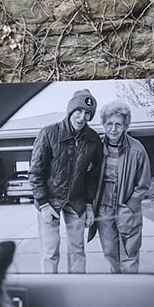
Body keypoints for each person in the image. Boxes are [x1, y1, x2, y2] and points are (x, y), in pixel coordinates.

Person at [30, 89, 103, 273]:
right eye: (78, 111)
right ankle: (50, 289)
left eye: (88, 114)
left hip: (77, 201)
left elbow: (93, 175)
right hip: (49, 200)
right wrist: (43, 204)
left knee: (78, 250)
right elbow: (35, 173)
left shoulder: (93, 140)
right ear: (70, 110)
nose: (82, 117)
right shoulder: (48, 133)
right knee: (50, 251)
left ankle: (76, 291)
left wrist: (88, 205)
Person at [92, 100, 154, 274]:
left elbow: (143, 184)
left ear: (125, 125)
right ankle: (118, 289)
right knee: (110, 253)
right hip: (104, 210)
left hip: (126, 207)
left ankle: (131, 293)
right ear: (104, 124)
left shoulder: (136, 149)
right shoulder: (96, 147)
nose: (113, 129)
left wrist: (130, 206)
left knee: (129, 254)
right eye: (109, 124)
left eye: (118, 124)